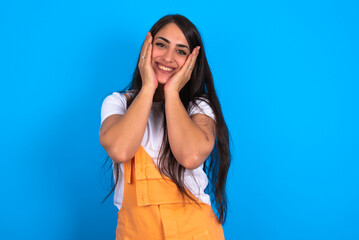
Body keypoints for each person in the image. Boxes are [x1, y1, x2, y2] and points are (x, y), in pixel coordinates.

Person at [100, 14, 231, 240]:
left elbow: (190, 156)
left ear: (192, 61)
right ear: (146, 48)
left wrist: (171, 92)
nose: (168, 57)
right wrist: (149, 86)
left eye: (181, 51)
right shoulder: (118, 103)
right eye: (161, 45)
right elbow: (120, 150)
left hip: (195, 231)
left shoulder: (199, 108)